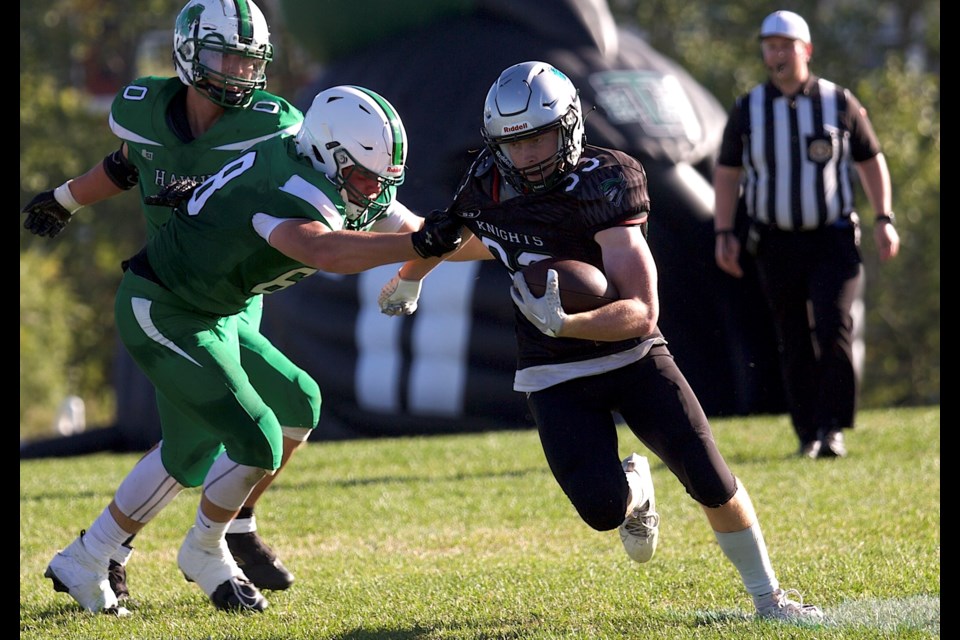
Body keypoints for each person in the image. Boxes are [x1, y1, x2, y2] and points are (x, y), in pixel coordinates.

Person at [377, 60, 824, 621]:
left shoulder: (606, 179)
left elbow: (641, 311)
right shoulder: (487, 183)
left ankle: (768, 598)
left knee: (710, 478)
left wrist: (568, 323)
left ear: (568, 126)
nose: (529, 154)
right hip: (552, 373)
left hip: (630, 354)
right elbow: (453, 234)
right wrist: (409, 280)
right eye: (514, 143)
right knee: (602, 509)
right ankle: (635, 487)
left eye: (540, 136)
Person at [40, 84, 462, 615]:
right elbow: (321, 249)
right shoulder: (287, 184)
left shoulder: (329, 167)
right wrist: (417, 247)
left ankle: (99, 554)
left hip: (210, 310)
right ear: (329, 154)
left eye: (383, 179)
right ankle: (197, 548)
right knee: (253, 435)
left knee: (293, 404)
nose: (373, 191)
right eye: (363, 176)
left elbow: (427, 233)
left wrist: (510, 241)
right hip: (163, 308)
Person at [21, 0, 308, 601]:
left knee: (291, 406)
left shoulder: (269, 122)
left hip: (232, 295)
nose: (236, 70)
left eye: (247, 58)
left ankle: (229, 529)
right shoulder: (148, 110)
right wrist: (67, 199)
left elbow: (282, 185)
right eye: (224, 55)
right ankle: (118, 552)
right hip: (175, 293)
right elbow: (126, 166)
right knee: (200, 441)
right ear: (188, 54)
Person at [712, 10, 900, 459]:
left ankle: (834, 427)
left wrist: (884, 218)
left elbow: (871, 159)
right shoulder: (748, 108)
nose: (775, 54)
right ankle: (807, 432)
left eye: (784, 46)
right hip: (775, 241)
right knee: (792, 337)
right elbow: (727, 172)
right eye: (769, 46)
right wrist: (724, 231)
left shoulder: (839, 102)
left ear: (806, 50)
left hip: (832, 237)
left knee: (834, 326)